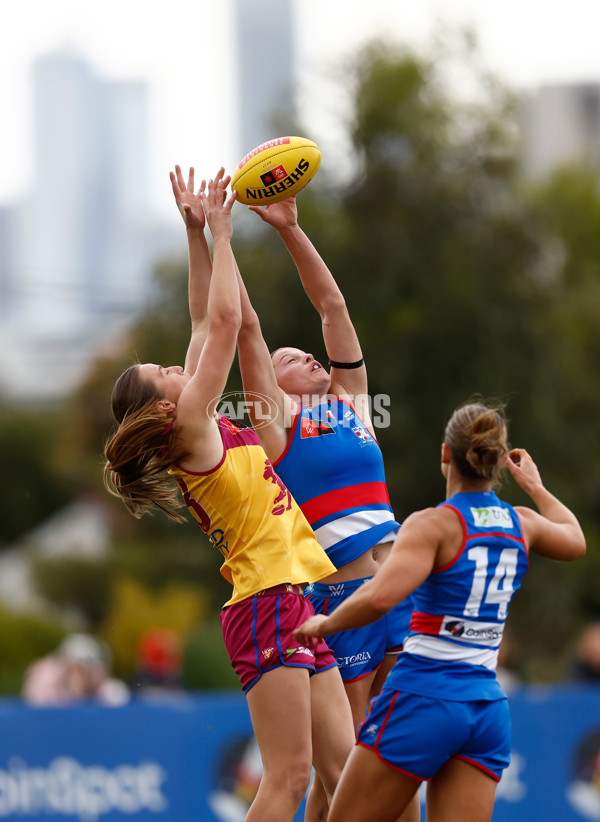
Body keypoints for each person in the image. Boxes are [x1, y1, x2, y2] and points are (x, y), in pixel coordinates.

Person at [103, 168, 355, 822]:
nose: (173, 365)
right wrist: (221, 229)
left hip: (296, 599)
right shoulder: (188, 426)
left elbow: (203, 315)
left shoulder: (194, 421)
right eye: (160, 372)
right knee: (288, 777)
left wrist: (195, 236)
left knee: (345, 769)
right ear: (156, 405)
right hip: (266, 602)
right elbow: (220, 324)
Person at [293, 399, 586, 822]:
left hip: (424, 696)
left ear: (445, 455)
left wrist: (326, 622)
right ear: (498, 463)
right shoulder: (521, 522)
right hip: (484, 707)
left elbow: (379, 597)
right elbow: (575, 539)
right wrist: (536, 488)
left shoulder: (434, 525)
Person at [232, 195, 418, 820]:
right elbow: (246, 332)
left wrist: (290, 227)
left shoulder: (353, 403)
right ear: (269, 384)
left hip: (401, 589)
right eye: (290, 359)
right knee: (350, 768)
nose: (308, 357)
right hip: (341, 602)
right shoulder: (275, 426)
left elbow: (331, 307)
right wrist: (219, 241)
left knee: (397, 755)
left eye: (308, 354)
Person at [22, 633, 129, 707]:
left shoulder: (106, 689)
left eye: (80, 669)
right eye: (73, 668)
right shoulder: (47, 678)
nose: (76, 674)